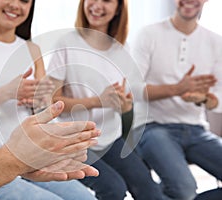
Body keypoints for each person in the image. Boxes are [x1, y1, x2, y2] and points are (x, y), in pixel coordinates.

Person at [0, 0, 98, 199]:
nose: (16, 5)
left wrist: (41, 99)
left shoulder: (32, 49)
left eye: (24, 1)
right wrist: (5, 93)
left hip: (28, 157)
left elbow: (40, 110)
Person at [47, 0, 165, 199]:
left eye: (107, 0)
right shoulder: (67, 43)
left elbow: (124, 103)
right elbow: (52, 102)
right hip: (74, 143)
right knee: (113, 188)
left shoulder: (123, 49)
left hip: (110, 138)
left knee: (148, 188)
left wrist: (124, 104)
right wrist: (97, 101)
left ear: (119, 8)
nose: (97, 5)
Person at [131, 0, 222, 199]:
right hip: (152, 127)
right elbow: (133, 89)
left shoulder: (215, 41)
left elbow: (218, 98)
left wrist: (205, 99)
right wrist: (177, 89)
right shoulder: (148, 34)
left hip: (196, 129)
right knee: (184, 189)